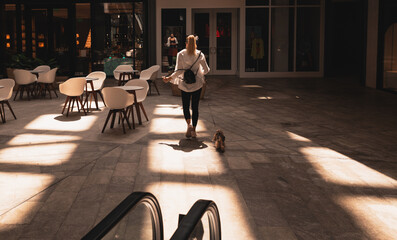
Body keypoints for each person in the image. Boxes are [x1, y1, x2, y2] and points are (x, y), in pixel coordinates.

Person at [163, 35, 210, 138]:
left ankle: (188, 125)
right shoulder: (200, 54)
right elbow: (207, 70)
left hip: (184, 84)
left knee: (185, 106)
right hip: (197, 84)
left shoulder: (181, 54)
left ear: (186, 43)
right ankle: (194, 129)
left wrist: (169, 78)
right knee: (195, 107)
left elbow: (178, 71)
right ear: (195, 44)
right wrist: (199, 72)